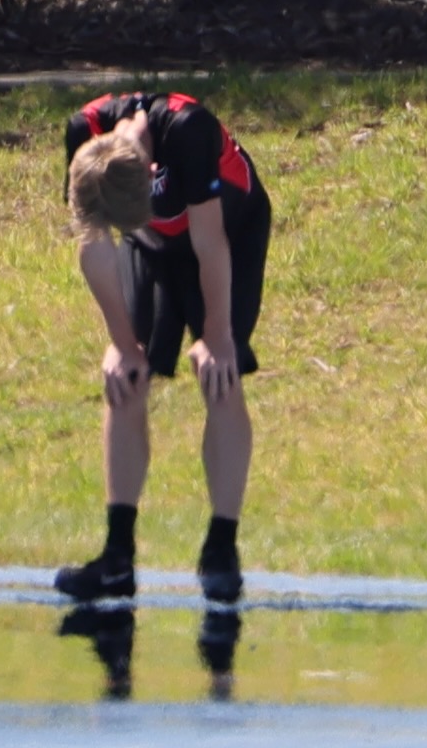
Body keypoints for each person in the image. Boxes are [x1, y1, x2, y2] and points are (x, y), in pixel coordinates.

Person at [56, 90, 271, 605]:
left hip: (226, 233)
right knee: (124, 381)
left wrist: (217, 336)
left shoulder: (188, 130)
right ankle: (117, 557)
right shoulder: (81, 133)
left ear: (151, 170)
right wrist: (120, 343)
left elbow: (209, 241)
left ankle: (220, 549)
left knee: (220, 376)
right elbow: (93, 243)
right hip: (150, 245)